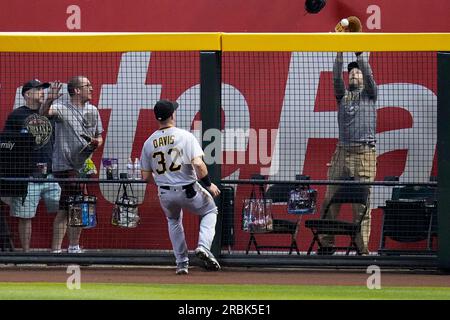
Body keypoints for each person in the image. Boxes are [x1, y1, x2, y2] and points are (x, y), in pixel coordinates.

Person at [140, 99, 221, 275]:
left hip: (165, 194)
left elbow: (145, 177)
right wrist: (209, 184)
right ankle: (203, 246)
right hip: (189, 189)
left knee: (174, 221)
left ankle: (182, 263)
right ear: (172, 115)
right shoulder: (185, 136)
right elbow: (199, 165)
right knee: (210, 211)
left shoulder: (148, 142)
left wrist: (164, 182)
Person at [318, 52, 378, 255]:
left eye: (357, 72)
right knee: (329, 199)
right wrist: (339, 52)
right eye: (351, 71)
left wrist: (360, 55)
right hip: (341, 152)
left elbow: (369, 76)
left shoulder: (370, 94)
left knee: (361, 205)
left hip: (364, 154)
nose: (353, 74)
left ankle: (362, 250)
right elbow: (336, 77)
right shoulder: (342, 96)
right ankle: (326, 245)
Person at [41, 76, 103, 253]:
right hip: (65, 166)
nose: (91, 88)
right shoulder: (61, 108)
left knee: (70, 205)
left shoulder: (93, 110)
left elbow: (100, 136)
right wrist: (50, 98)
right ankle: (63, 249)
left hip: (84, 165)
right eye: (87, 85)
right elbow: (44, 114)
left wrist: (95, 142)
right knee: (74, 204)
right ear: (76, 90)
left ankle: (64, 249)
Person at [0, 79, 61, 252]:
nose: (42, 92)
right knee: (25, 216)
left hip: (51, 173)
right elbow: (6, 145)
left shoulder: (52, 113)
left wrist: (50, 102)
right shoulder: (16, 115)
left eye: (43, 89)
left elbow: (44, 117)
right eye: (38, 89)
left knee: (64, 209)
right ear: (27, 94)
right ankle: (26, 255)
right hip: (27, 175)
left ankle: (56, 252)